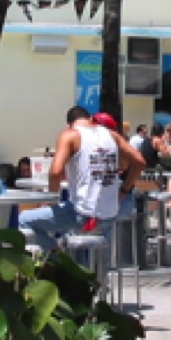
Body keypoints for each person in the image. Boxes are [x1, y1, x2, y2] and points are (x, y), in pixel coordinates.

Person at [19, 106, 145, 252]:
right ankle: (82, 266)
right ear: (91, 119)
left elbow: (55, 172)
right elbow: (140, 162)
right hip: (111, 214)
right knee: (79, 241)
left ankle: (58, 257)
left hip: (82, 213)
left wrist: (51, 201)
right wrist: (123, 190)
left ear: (69, 125)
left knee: (23, 220)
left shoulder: (69, 135)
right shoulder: (111, 135)